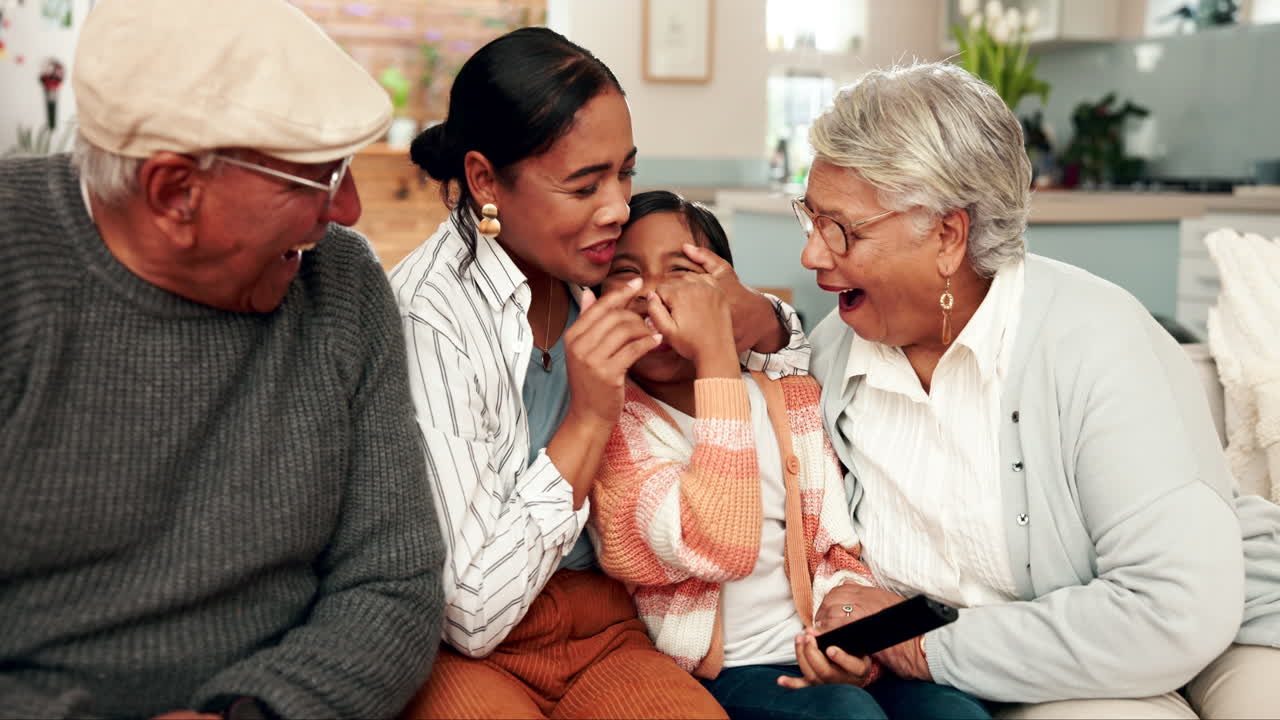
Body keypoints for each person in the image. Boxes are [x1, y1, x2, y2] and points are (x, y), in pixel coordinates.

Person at [0, 0, 447, 717]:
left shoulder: (342, 286)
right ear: (176, 192)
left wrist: (256, 713)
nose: (352, 210)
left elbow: (392, 579)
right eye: (322, 178)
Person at [795, 61, 1280, 719]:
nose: (813, 257)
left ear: (947, 234)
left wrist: (919, 645)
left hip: (1228, 631)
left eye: (842, 229)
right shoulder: (830, 357)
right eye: (809, 218)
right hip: (1020, 664)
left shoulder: (1096, 341)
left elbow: (1173, 608)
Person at [393, 28, 808, 720]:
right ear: (485, 179)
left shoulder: (600, 274)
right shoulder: (431, 318)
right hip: (472, 648)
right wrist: (585, 420)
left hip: (609, 624)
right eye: (585, 185)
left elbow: (790, 371)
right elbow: (471, 615)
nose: (618, 208)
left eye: (626, 173)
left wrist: (757, 317)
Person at [587, 190, 993, 720]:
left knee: (954, 712)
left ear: (725, 294)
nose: (655, 295)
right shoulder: (616, 430)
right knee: (847, 714)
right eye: (627, 272)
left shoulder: (790, 399)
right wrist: (713, 356)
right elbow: (715, 544)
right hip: (726, 674)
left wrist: (852, 646)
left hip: (823, 655)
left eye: (683, 271)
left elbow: (834, 548)